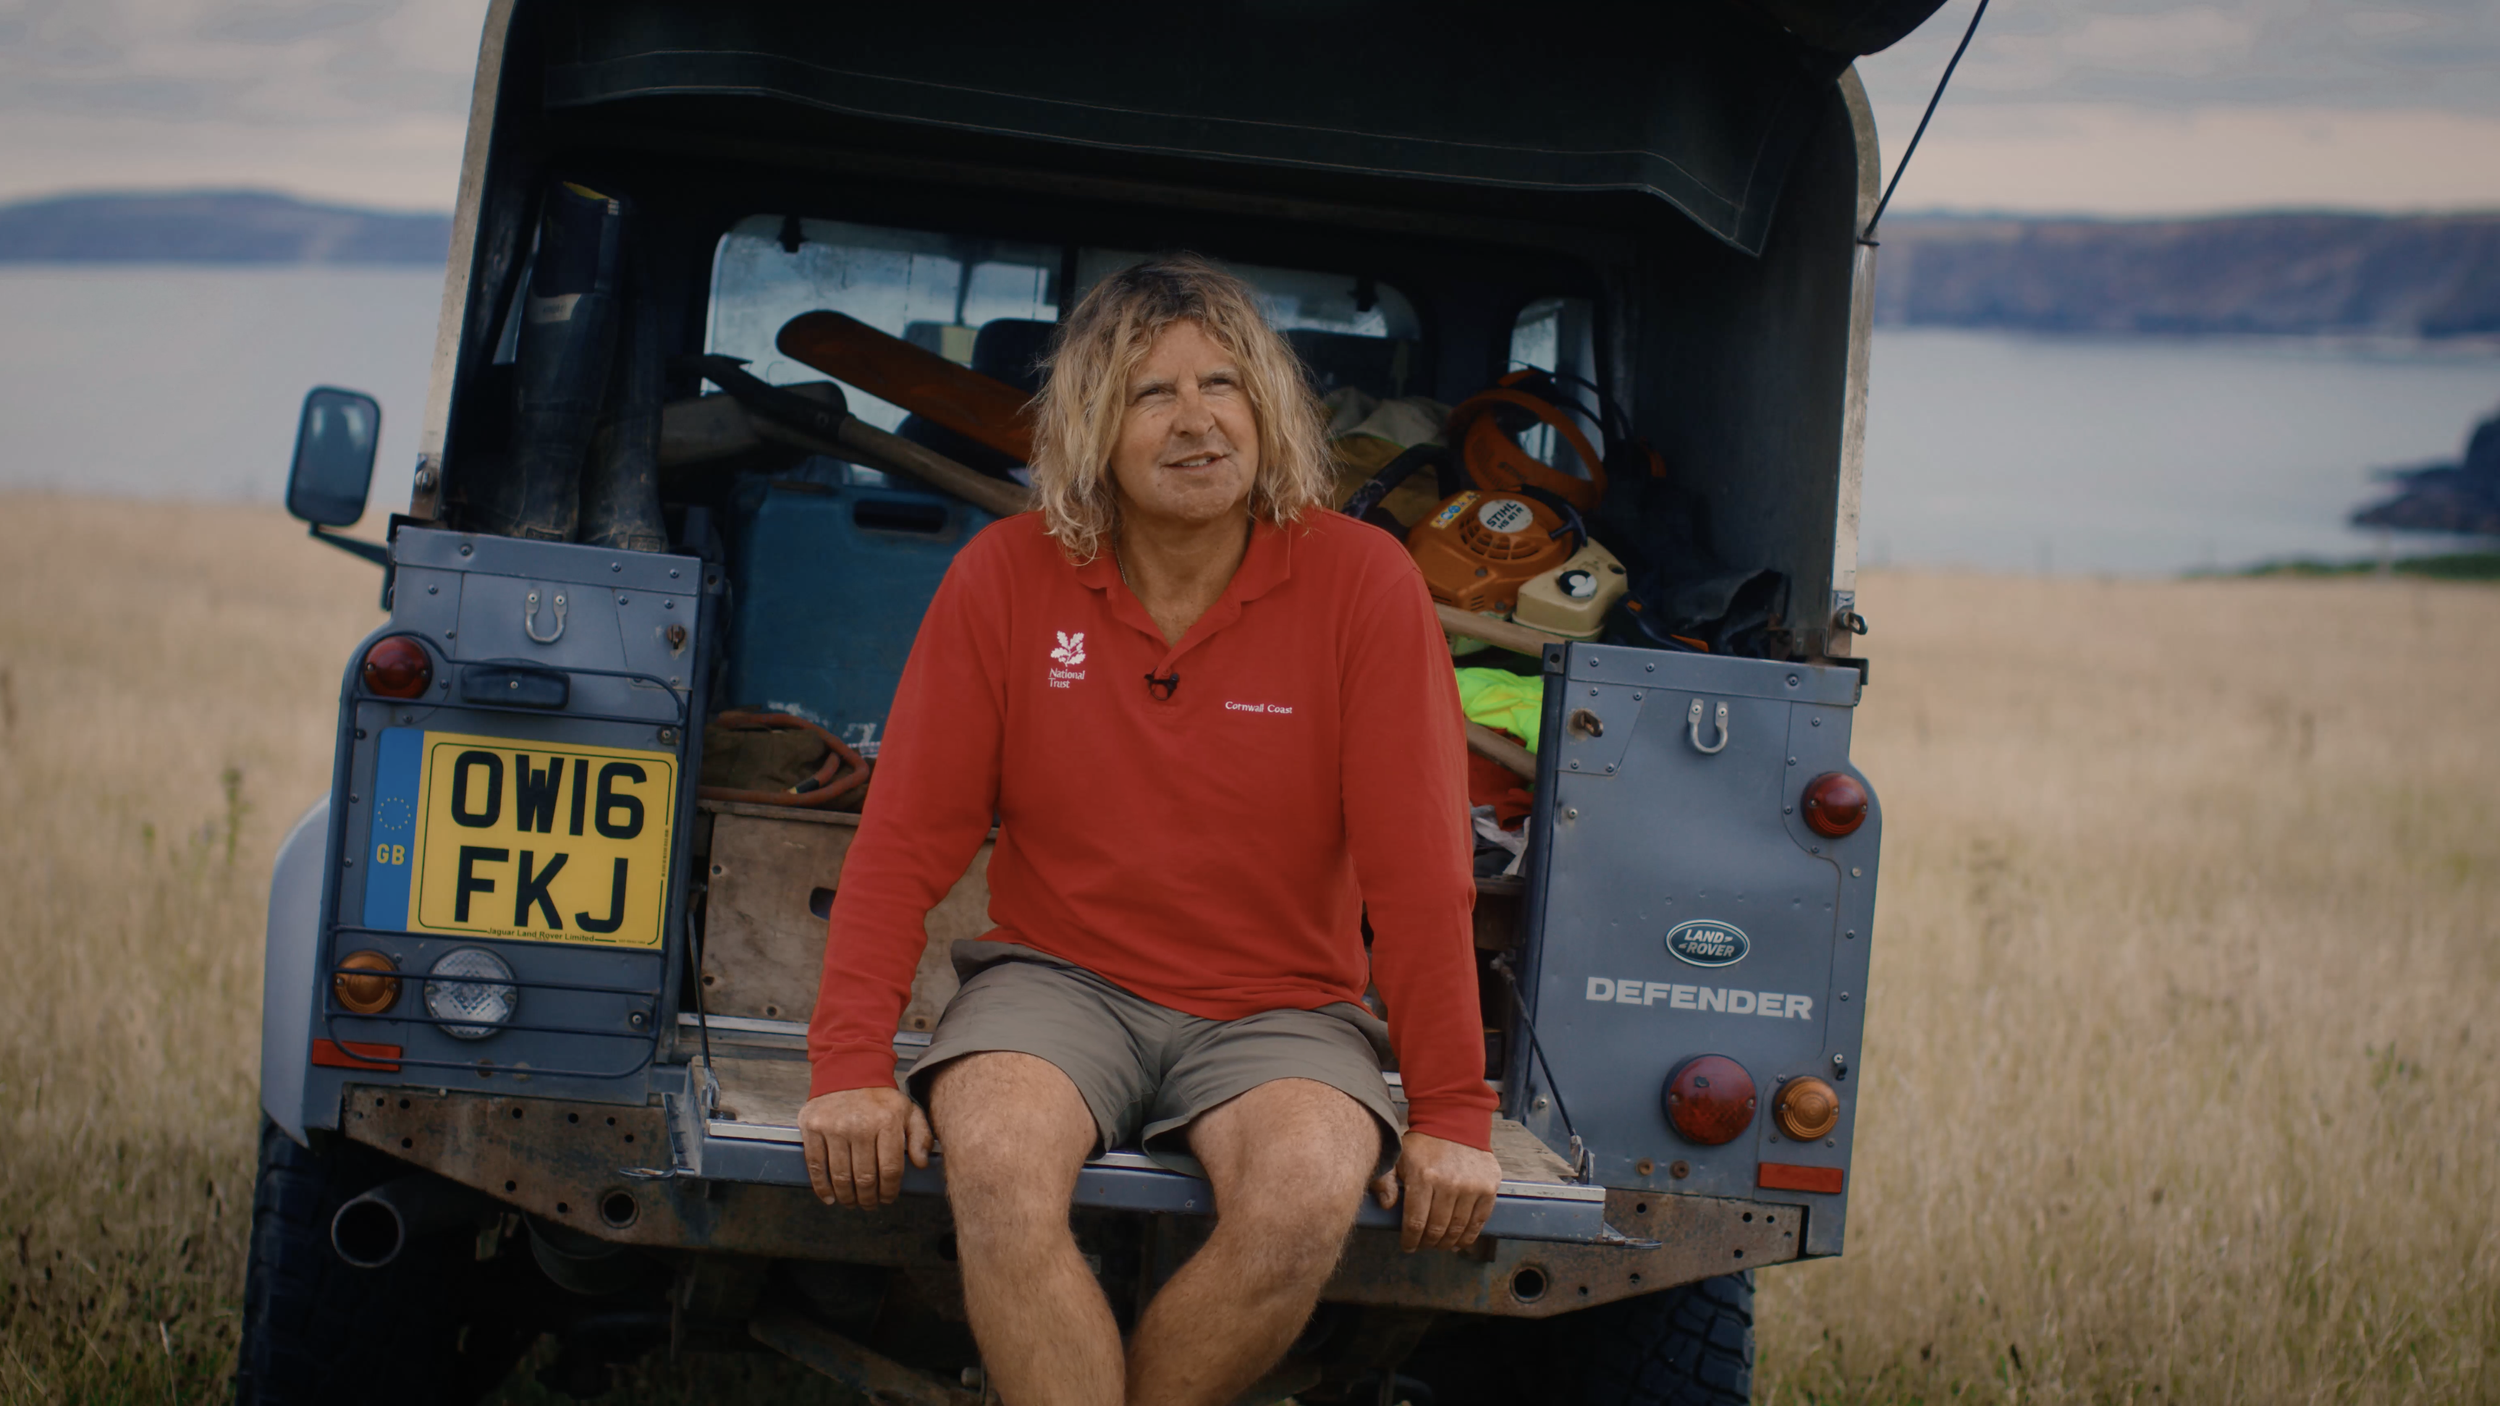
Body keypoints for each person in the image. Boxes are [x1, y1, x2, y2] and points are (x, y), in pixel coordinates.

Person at [798, 256, 1500, 1406]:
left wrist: (1455, 1111)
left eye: (1223, 384)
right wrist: (848, 1066)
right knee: (998, 1162)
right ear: (1090, 427)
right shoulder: (1006, 575)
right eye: (1148, 393)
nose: (1196, 421)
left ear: (1266, 410)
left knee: (1307, 1194)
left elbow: (1420, 874)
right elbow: (904, 840)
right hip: (1056, 982)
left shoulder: (1363, 580)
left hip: (1284, 1005)